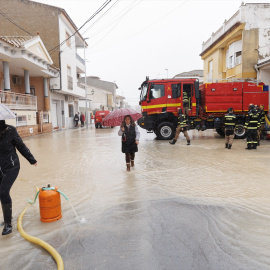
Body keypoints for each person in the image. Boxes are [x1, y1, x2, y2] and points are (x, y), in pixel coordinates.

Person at [0, 120, 37, 235]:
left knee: (3, 192)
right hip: (0, 168)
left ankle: (8, 224)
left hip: (12, 167)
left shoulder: (11, 131)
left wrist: (31, 159)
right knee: (1, 193)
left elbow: (21, 146)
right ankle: (7, 218)